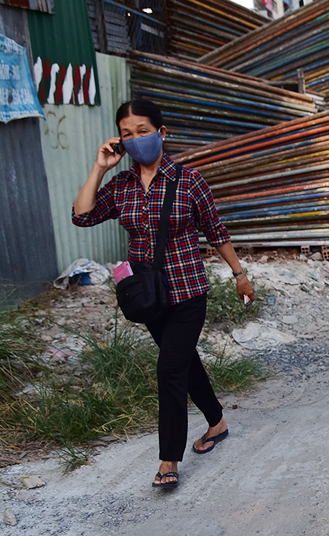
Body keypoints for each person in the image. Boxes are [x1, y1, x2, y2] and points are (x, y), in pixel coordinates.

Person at [72, 98, 255, 489]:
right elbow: (82, 215)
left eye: (143, 130)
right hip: (148, 295)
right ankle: (217, 423)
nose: (135, 139)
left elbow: (216, 232)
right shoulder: (121, 185)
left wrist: (239, 273)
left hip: (188, 290)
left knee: (170, 369)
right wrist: (99, 168)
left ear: (161, 133)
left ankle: (168, 461)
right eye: (126, 134)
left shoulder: (190, 181)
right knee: (184, 362)